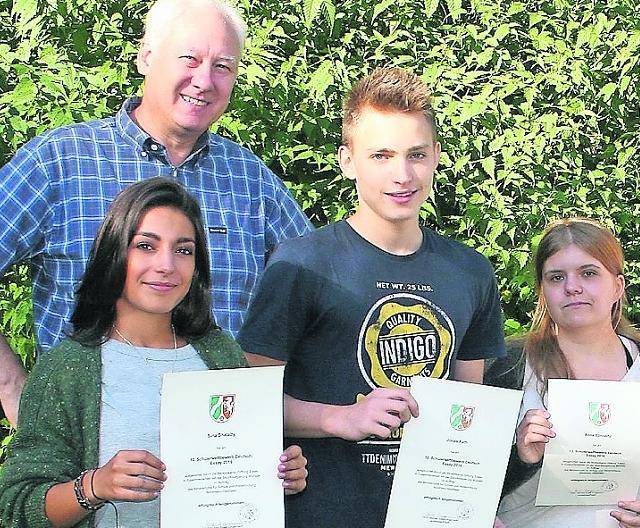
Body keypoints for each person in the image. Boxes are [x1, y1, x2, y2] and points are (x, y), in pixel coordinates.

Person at [0, 0, 311, 426]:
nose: (204, 80)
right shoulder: (58, 162)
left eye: (223, 66)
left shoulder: (252, 181)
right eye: (190, 58)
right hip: (88, 450)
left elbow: (316, 295)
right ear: (147, 57)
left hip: (221, 455)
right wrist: (14, 390)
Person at [238, 67, 506, 528]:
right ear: (347, 160)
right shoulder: (299, 264)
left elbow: (469, 408)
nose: (401, 175)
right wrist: (340, 418)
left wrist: (477, 504)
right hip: (320, 514)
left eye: (416, 155)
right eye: (380, 155)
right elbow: (245, 402)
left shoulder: (471, 272)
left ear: (436, 157)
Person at [0, 178, 308, 527]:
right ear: (114, 253)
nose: (166, 265)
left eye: (183, 250)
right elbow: (18, 507)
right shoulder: (68, 368)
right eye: (146, 246)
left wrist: (278, 475)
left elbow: (243, 485)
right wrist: (94, 486)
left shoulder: (221, 354)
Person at [485, 218, 640, 528]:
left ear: (618, 286)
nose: (572, 287)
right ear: (542, 291)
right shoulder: (510, 367)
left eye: (589, 273)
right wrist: (522, 455)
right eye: (556, 277)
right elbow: (469, 472)